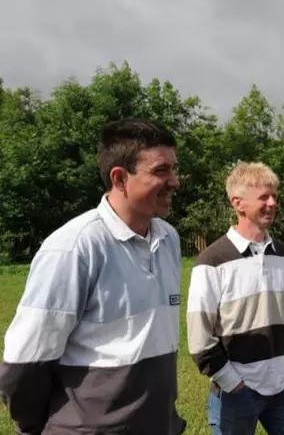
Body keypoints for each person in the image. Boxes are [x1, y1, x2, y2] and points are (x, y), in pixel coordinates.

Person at [0, 118, 186, 435]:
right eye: (160, 171)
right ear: (120, 178)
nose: (176, 181)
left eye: (173, 168)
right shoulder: (74, 248)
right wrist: (43, 424)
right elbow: (24, 363)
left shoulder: (168, 239)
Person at [186, 161, 284, 435]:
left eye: (274, 196)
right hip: (236, 392)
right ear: (238, 203)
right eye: (263, 197)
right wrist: (230, 381)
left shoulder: (283, 254)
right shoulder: (212, 260)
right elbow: (200, 336)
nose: (272, 203)